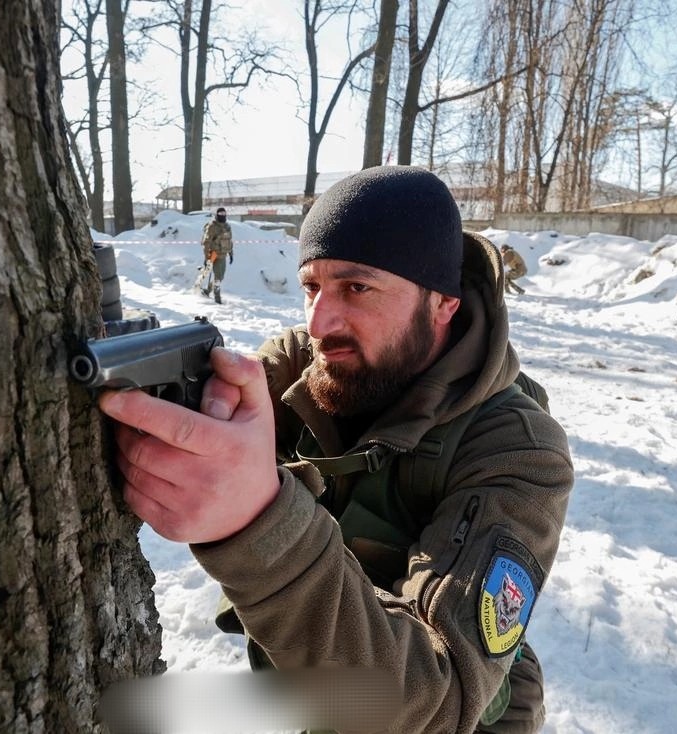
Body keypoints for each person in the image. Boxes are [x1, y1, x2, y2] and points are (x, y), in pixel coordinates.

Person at [99, 166, 573, 733]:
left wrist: (254, 525)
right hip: (319, 694)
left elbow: (434, 700)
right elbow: (215, 407)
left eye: (358, 288)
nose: (320, 322)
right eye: (312, 287)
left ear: (442, 304)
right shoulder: (304, 365)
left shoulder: (519, 451)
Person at [201, 207, 234, 304]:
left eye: (224, 213)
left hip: (223, 255)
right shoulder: (212, 226)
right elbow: (206, 242)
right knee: (218, 277)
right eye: (220, 213)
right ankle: (217, 296)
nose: (222, 215)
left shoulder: (227, 226)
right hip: (214, 254)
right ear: (217, 214)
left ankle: (208, 290)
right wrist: (207, 256)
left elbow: (229, 241)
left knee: (220, 277)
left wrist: (231, 253)